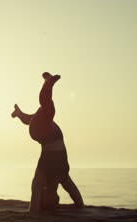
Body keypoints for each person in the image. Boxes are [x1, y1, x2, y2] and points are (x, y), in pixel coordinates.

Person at [11, 72, 84, 214]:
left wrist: (35, 207)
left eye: (49, 201)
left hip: (42, 133)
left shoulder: (41, 178)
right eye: (56, 201)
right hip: (48, 131)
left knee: (45, 111)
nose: (55, 200)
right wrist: (77, 205)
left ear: (43, 197)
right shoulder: (62, 176)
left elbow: (33, 209)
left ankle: (46, 84)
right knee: (45, 112)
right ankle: (44, 86)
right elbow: (78, 199)